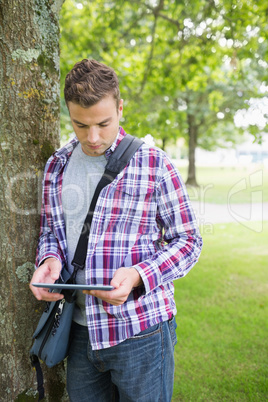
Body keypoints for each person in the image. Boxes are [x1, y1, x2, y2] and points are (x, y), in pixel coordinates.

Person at [30, 59, 203, 402]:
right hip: (79, 336)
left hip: (142, 332)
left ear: (120, 109)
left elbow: (189, 241)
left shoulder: (155, 163)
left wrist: (138, 275)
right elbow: (51, 231)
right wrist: (48, 259)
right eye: (80, 125)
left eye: (103, 124)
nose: (92, 137)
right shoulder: (56, 165)